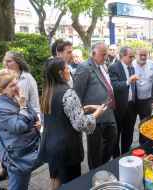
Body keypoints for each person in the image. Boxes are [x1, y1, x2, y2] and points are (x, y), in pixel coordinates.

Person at [41, 58, 106, 190]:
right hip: (66, 148)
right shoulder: (68, 92)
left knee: (56, 180)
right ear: (60, 73)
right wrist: (96, 114)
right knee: (71, 184)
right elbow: (81, 124)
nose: (69, 71)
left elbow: (59, 115)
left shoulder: (47, 91)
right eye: (66, 68)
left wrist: (84, 108)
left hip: (51, 144)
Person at [0, 69, 41, 190]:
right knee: (18, 186)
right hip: (16, 156)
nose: (17, 87)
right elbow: (19, 127)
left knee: (23, 182)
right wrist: (23, 108)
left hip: (27, 149)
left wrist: (36, 121)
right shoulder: (0, 109)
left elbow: (33, 115)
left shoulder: (17, 97)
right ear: (2, 89)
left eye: (16, 83)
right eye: (12, 85)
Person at [74, 42, 117, 169]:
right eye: (103, 55)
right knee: (94, 150)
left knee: (112, 140)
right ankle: (94, 172)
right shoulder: (84, 67)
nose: (106, 57)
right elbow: (77, 94)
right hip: (94, 117)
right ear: (93, 54)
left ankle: (102, 167)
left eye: (106, 54)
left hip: (107, 112)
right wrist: (84, 114)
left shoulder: (102, 65)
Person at [109, 47, 138, 156]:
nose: (132, 58)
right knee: (116, 135)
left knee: (129, 133)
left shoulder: (131, 67)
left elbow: (132, 87)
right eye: (130, 56)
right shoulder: (113, 67)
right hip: (119, 107)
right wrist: (128, 81)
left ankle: (126, 154)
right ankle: (116, 158)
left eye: (133, 56)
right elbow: (114, 86)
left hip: (131, 106)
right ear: (122, 56)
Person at [133, 48, 153, 120]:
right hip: (134, 101)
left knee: (146, 123)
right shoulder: (131, 65)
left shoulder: (152, 64)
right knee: (131, 123)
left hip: (147, 100)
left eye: (145, 55)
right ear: (136, 55)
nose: (143, 57)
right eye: (141, 55)